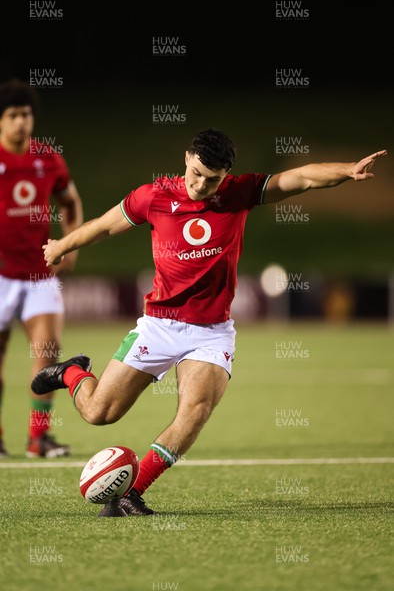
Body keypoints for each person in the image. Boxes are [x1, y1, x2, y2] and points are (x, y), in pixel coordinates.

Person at [32, 129, 386, 513]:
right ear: (187, 157)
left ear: (226, 175)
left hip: (211, 334)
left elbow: (298, 179)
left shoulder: (238, 193)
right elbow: (103, 225)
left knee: (196, 410)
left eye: (212, 179)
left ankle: (133, 492)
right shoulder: (153, 197)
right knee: (99, 413)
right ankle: (72, 373)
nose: (202, 185)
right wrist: (61, 245)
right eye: (197, 173)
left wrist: (347, 170)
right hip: (159, 325)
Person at [0, 79, 83, 458]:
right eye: (13, 115)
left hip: (39, 275)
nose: (21, 122)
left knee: (48, 353)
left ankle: (39, 438)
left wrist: (71, 242)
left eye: (26, 114)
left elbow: (69, 201)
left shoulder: (48, 158)